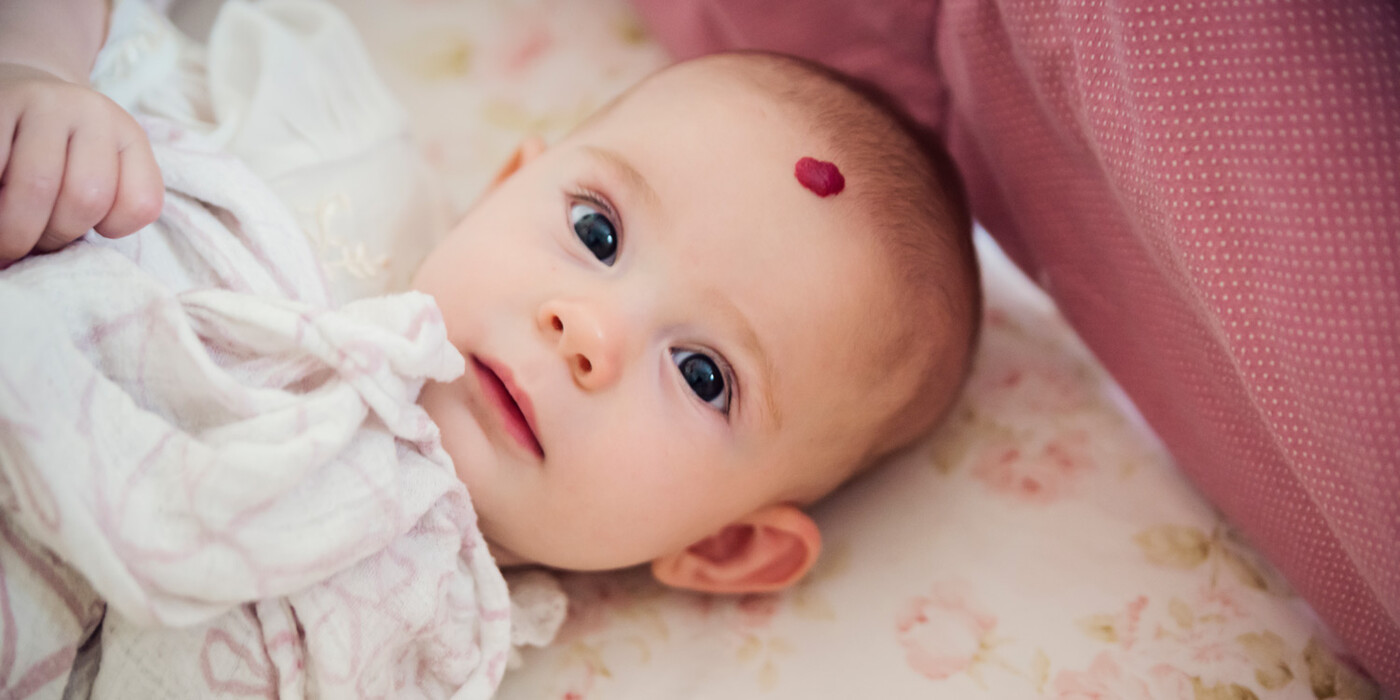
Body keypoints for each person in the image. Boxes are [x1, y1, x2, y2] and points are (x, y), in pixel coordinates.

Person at [0, 0, 978, 609]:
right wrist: (41, 69)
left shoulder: (420, 646)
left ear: (723, 543)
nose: (585, 330)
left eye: (701, 373)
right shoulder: (330, 167)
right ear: (503, 186)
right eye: (596, 233)